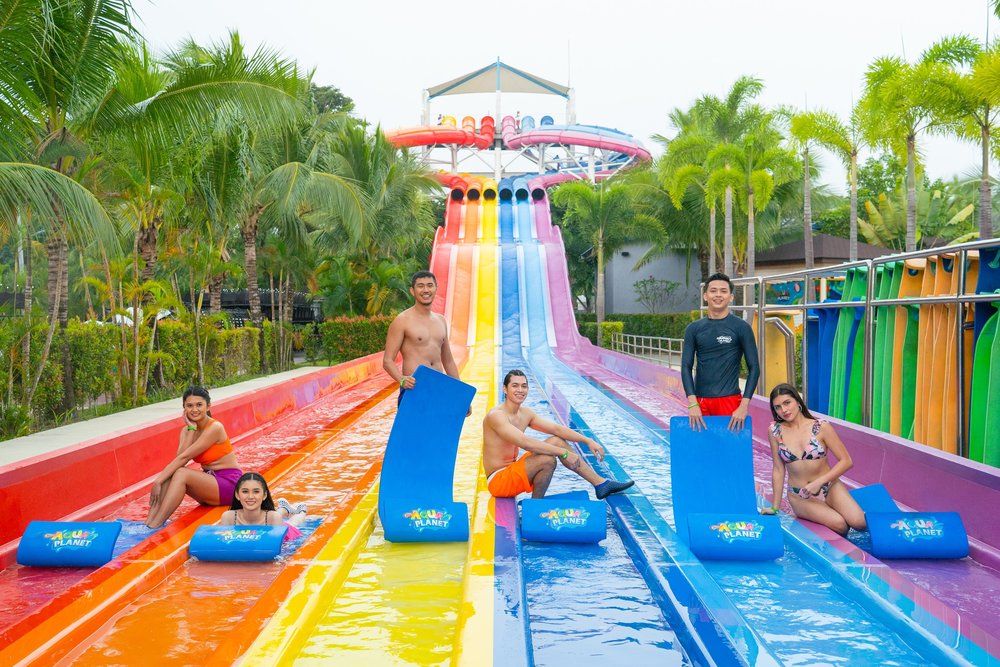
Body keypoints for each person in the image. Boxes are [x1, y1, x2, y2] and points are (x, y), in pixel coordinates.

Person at [483, 369, 634, 500]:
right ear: (505, 389)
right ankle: (536, 507)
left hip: (512, 472)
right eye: (514, 386)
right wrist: (564, 453)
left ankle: (600, 484)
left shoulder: (525, 413)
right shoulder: (496, 416)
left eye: (524, 386)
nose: (520, 390)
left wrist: (587, 440)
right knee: (547, 459)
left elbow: (557, 429)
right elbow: (525, 442)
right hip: (498, 481)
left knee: (556, 440)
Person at [761, 383, 867, 535]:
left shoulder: (821, 427)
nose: (783, 410)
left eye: (787, 403)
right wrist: (775, 507)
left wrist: (819, 482)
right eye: (777, 407)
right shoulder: (775, 431)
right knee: (841, 525)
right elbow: (778, 469)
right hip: (800, 495)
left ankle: (831, 505)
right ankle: (815, 511)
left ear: (798, 401)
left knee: (860, 523)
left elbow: (846, 461)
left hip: (829, 487)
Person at [146, 386, 242, 528]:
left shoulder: (215, 428)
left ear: (208, 406)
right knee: (172, 473)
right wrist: (191, 429)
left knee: (180, 473)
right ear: (184, 408)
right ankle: (148, 523)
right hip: (211, 485)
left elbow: (184, 457)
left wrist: (157, 482)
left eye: (199, 405)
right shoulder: (186, 430)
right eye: (189, 406)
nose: (194, 410)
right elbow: (179, 459)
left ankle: (156, 524)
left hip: (230, 485)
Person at [681, 272, 760, 432]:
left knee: (729, 452)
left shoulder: (741, 327)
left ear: (731, 297)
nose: (718, 295)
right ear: (705, 296)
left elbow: (754, 368)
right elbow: (686, 366)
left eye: (723, 291)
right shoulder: (694, 329)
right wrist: (692, 402)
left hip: (730, 401)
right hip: (700, 401)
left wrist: (744, 405)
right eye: (713, 290)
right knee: (703, 451)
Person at [383, 271, 465, 410]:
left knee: (439, 431)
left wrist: (461, 395)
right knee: (411, 431)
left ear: (435, 289)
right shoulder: (402, 321)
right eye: (420, 286)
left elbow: (448, 361)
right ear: (412, 291)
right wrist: (401, 379)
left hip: (438, 387)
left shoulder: (440, 320)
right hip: (414, 388)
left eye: (430, 285)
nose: (426, 290)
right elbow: (387, 361)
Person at [219, 472, 307, 541]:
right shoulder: (229, 517)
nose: (250, 496)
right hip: (268, 518)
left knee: (292, 523)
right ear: (237, 495)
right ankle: (284, 508)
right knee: (274, 515)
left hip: (285, 532)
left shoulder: (273, 518)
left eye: (256, 492)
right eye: (245, 491)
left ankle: (301, 511)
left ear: (264, 495)